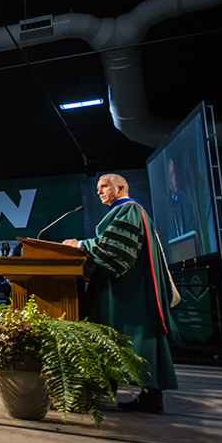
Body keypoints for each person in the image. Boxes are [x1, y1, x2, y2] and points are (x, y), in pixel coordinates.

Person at [63, 173, 180, 413]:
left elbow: (114, 250)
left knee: (126, 339)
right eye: (98, 188)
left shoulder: (130, 210)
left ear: (121, 187)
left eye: (105, 186)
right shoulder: (122, 212)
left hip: (129, 291)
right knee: (114, 341)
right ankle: (119, 393)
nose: (99, 191)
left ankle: (143, 397)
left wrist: (81, 245)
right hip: (124, 288)